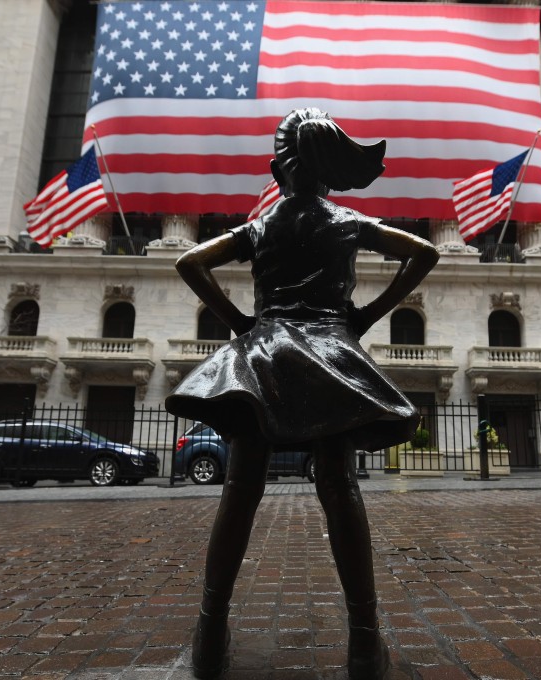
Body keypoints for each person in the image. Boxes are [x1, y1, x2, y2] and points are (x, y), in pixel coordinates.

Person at [165, 108, 439, 679]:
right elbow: (425, 253)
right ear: (327, 172)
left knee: (241, 488)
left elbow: (190, 260)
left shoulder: (261, 227)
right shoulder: (347, 221)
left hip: (263, 354)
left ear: (279, 170)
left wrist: (240, 321)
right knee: (339, 488)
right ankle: (364, 642)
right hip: (330, 353)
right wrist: (365, 315)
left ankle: (210, 633)